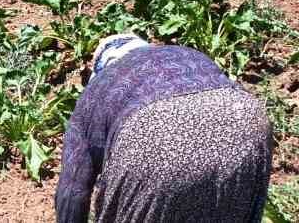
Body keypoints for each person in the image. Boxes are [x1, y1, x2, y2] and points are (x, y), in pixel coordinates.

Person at [55, 33, 272, 223]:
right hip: (243, 118)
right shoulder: (187, 53)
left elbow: (73, 191)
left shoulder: (98, 88)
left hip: (155, 133)